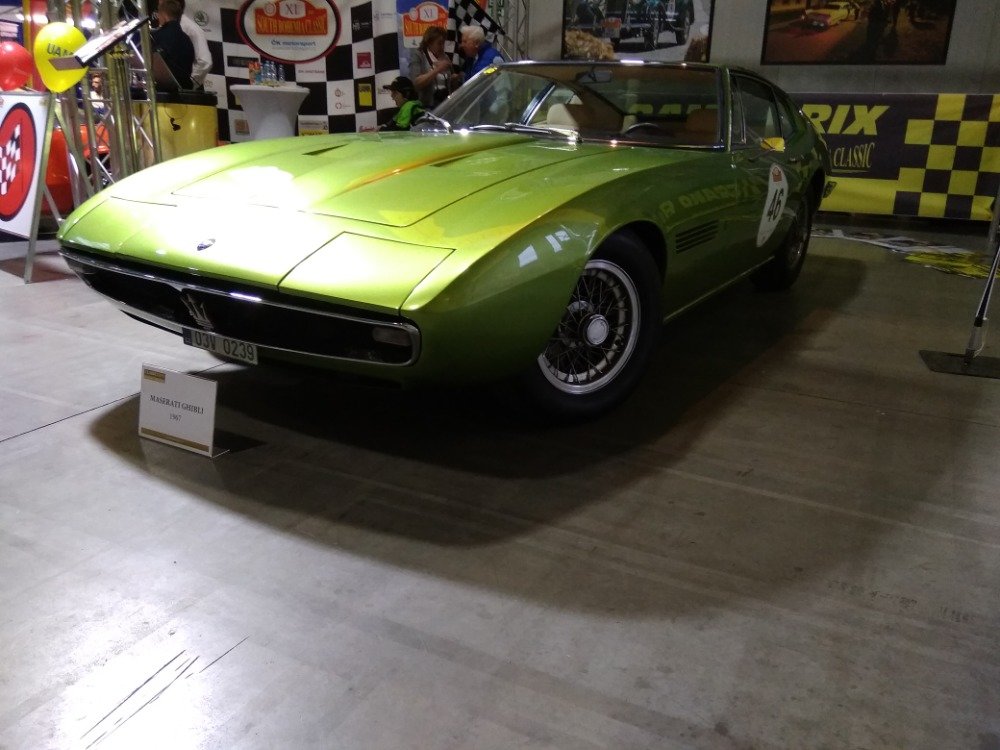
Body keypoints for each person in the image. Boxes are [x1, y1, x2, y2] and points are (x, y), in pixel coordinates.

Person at [151, 0, 194, 89]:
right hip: (186, 90)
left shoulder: (157, 36)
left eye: (159, 14)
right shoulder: (187, 39)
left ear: (164, 15)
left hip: (164, 91)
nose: (158, 18)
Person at [408, 26, 453, 108]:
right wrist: (437, 70)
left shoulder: (445, 57)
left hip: (445, 104)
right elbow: (416, 83)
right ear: (429, 43)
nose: (442, 47)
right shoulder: (418, 55)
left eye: (443, 43)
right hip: (427, 106)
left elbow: (450, 81)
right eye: (439, 43)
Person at [178, 0, 211, 88]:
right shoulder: (164, 27)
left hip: (187, 90)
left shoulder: (191, 29)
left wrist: (188, 83)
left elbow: (205, 61)